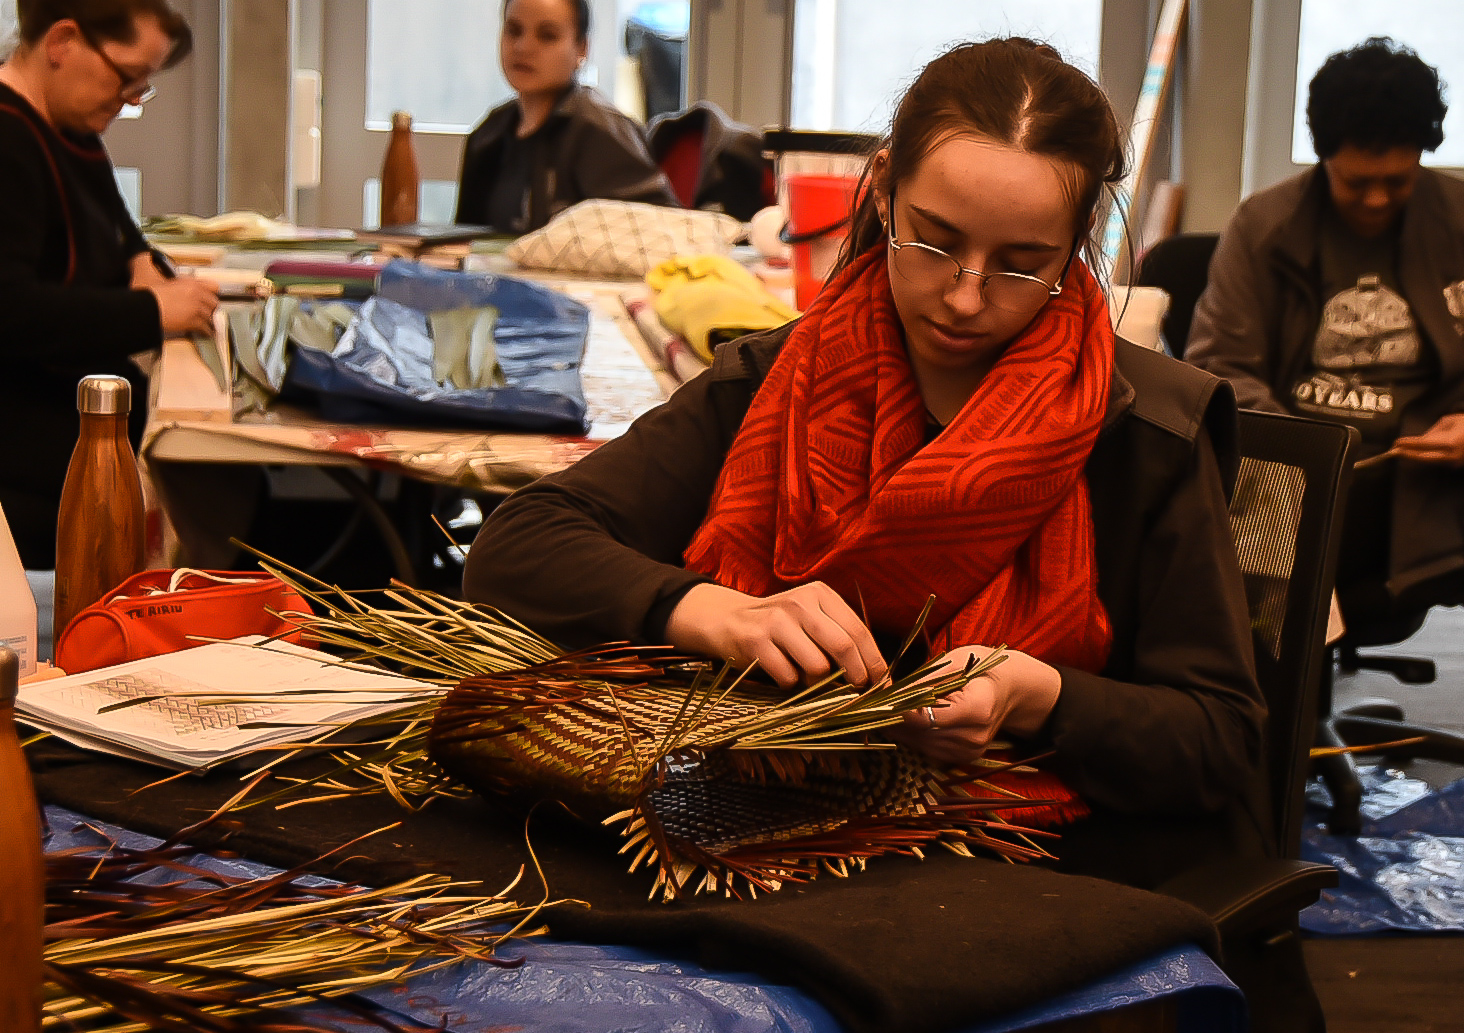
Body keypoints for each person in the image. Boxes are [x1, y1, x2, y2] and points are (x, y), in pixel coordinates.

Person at [466, 36, 1267, 881]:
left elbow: (1220, 741)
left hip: (1029, 867)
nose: (965, 295)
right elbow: (519, 549)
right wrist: (720, 615)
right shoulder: (776, 383)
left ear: (1079, 240)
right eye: (935, 241)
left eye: (1022, 266)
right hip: (770, 833)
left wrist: (1038, 694)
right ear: (885, 188)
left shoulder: (1146, 435)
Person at [1185, 38, 1464, 624]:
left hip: (1408, 482)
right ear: (1323, 159)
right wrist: (1300, 455)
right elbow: (1220, 363)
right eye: (1356, 181)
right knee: (1223, 581)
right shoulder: (1266, 226)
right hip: (1286, 474)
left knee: (1290, 598)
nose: (1376, 199)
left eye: (1397, 181)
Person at [0, 0, 218, 568]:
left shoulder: (70, 129)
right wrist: (149, 312)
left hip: (76, 411)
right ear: (62, 42)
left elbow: (131, 249)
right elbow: (11, 312)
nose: (130, 99)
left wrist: (146, 277)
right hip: (27, 442)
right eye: (128, 77)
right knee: (215, 481)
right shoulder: (9, 140)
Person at [455, 0, 677, 234]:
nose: (523, 46)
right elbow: (461, 245)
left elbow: (661, 233)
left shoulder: (598, 131)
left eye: (547, 35)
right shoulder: (489, 133)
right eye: (513, 31)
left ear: (582, 48)